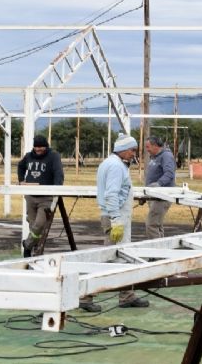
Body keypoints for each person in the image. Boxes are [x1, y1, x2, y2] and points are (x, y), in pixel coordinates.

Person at [78, 133, 150, 312]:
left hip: (114, 215)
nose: (134, 154)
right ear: (123, 150)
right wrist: (116, 219)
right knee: (109, 259)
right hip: (115, 217)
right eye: (132, 150)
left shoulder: (109, 163)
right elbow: (111, 194)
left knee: (122, 256)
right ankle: (85, 296)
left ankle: (127, 295)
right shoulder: (116, 166)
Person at [17, 135, 64, 257]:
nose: (38, 149)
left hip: (46, 197)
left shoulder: (54, 156)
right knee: (32, 224)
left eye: (40, 147)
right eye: (36, 147)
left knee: (39, 224)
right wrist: (21, 180)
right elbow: (20, 166)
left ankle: (27, 245)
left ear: (46, 146)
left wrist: (56, 189)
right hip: (30, 195)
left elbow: (58, 173)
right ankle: (34, 249)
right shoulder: (28, 156)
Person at [143, 136, 176, 239]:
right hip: (154, 196)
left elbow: (170, 173)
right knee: (157, 224)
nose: (147, 149)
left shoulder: (166, 156)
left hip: (162, 196)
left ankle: (155, 251)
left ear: (155, 146)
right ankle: (161, 248)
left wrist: (159, 184)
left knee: (151, 224)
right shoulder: (155, 157)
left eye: (148, 147)